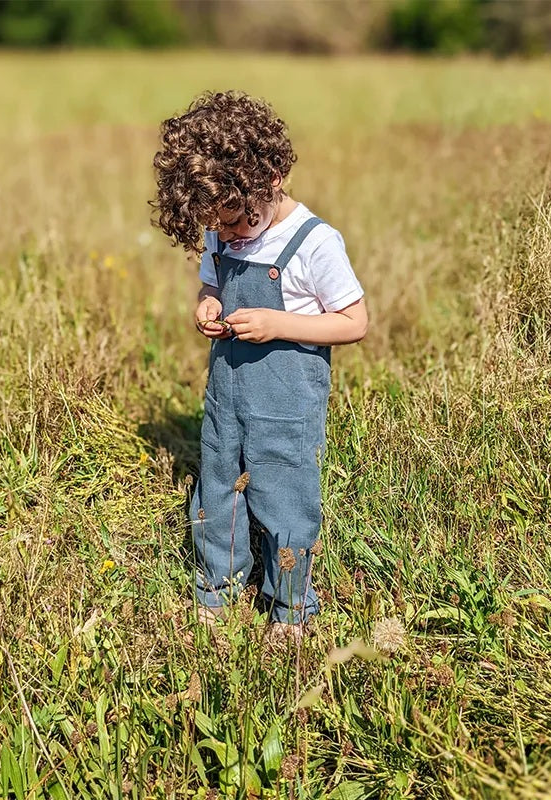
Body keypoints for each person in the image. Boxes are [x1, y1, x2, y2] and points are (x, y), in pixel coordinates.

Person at [151, 90, 367, 638]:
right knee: (219, 486)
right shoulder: (219, 219)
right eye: (214, 227)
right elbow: (210, 278)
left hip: (285, 404)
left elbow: (353, 322)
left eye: (234, 224)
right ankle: (217, 587)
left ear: (268, 180)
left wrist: (279, 324)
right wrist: (208, 303)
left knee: (284, 495)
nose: (224, 235)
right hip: (226, 394)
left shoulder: (315, 242)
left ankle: (291, 606)